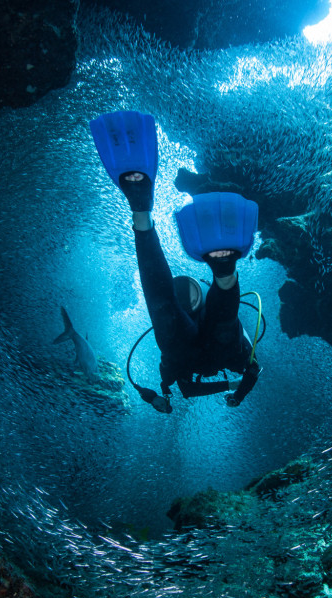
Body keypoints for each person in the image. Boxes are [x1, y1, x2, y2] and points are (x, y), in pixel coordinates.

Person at [90, 111, 261, 411]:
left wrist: (160, 398)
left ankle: (142, 214)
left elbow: (179, 390)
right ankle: (224, 273)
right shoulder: (230, 346)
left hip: (191, 354)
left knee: (166, 310)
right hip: (219, 351)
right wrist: (235, 392)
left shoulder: (178, 358)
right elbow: (251, 370)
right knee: (196, 318)